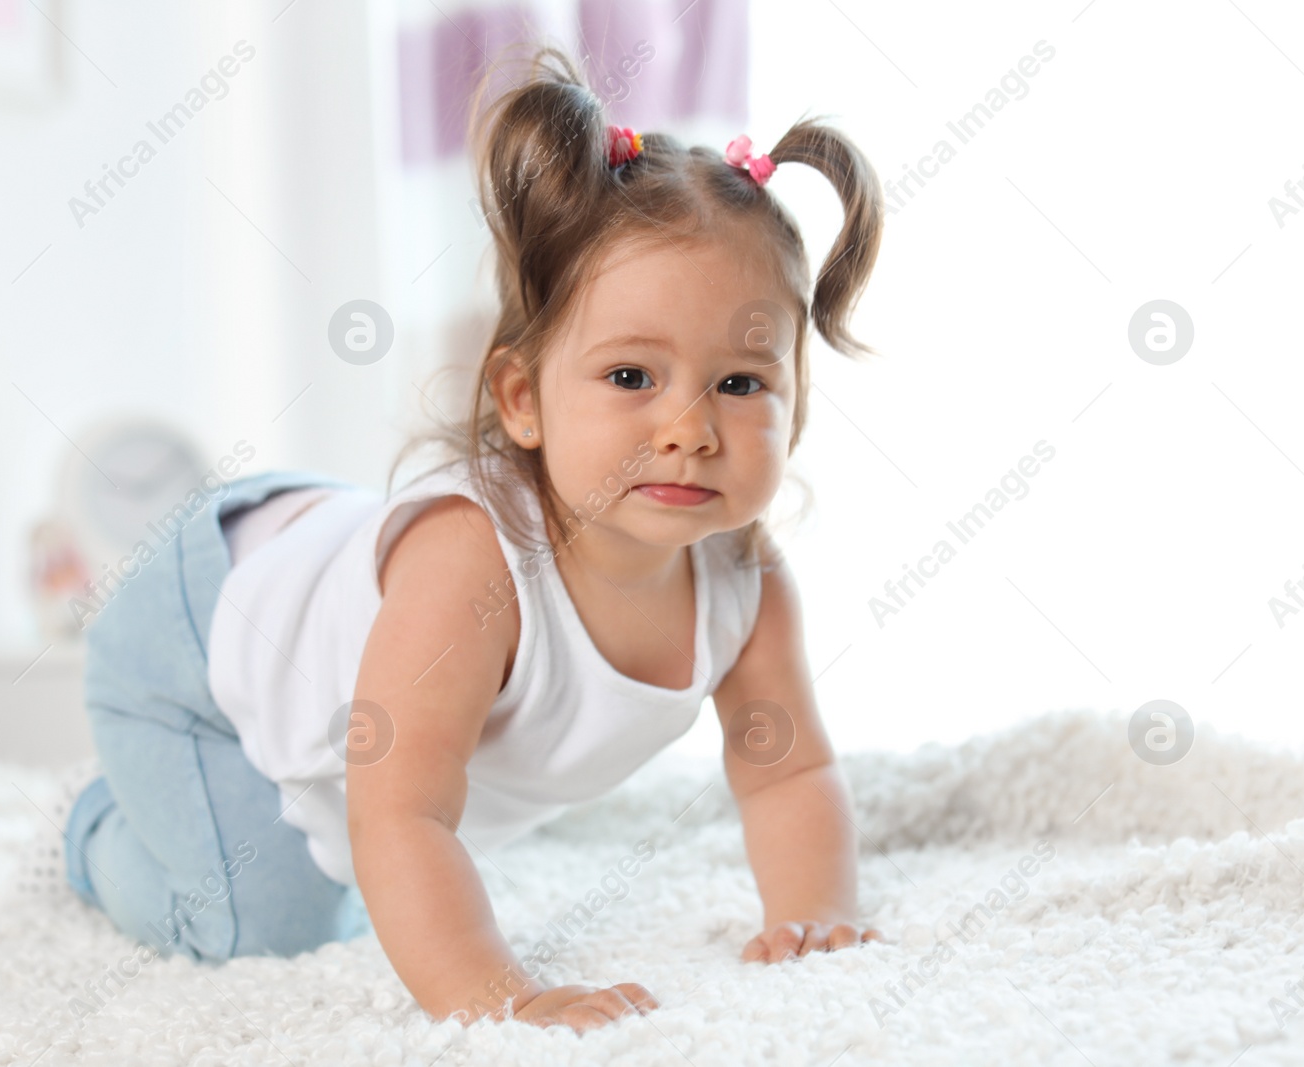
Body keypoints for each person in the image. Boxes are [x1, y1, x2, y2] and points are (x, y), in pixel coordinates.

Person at [63, 43, 886, 1033]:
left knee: (379, 871)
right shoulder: (471, 567)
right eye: (631, 376)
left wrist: (814, 914)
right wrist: (502, 995)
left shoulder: (744, 581)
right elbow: (401, 807)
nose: (688, 426)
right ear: (521, 398)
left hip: (328, 560)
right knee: (265, 914)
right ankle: (95, 826)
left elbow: (788, 770)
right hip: (196, 627)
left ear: (793, 412)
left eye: (741, 382)